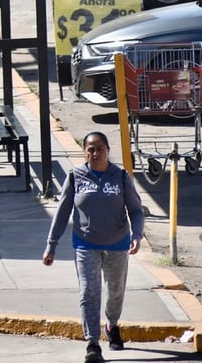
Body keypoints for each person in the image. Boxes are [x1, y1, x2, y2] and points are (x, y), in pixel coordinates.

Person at [42, 131, 145, 363]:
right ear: (85, 152)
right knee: (89, 292)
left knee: (115, 292)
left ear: (108, 150)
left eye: (99, 148)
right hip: (85, 243)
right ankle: (92, 343)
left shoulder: (120, 177)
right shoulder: (75, 176)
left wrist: (137, 235)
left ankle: (112, 325)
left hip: (118, 243)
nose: (95, 153)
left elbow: (136, 210)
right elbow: (62, 212)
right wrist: (51, 245)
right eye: (90, 149)